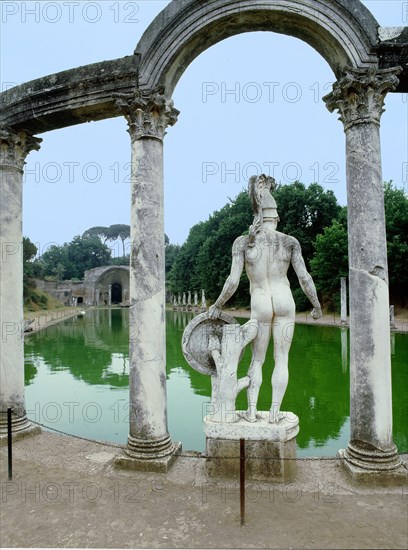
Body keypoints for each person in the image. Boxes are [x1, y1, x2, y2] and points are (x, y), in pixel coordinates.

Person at [209, 174, 322, 423]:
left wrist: (217, 305)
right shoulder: (289, 242)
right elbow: (305, 279)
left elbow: (233, 282)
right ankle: (273, 413)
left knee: (257, 359)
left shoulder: (243, 242)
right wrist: (315, 305)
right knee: (282, 360)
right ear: (276, 216)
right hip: (285, 302)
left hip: (261, 302)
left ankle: (251, 411)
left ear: (256, 213)